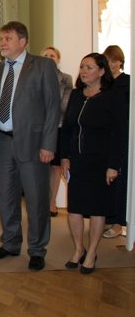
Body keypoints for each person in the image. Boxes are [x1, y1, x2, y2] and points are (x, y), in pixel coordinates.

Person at [0, 21, 61, 271]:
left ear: (23, 41)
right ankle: (10, 243)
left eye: (8, 38)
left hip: (33, 144)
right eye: (1, 38)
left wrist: (48, 144)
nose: (2, 43)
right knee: (6, 198)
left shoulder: (42, 66)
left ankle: (37, 249)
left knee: (36, 199)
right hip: (3, 143)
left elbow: (53, 108)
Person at [60, 53, 127, 274]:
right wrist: (65, 156)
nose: (84, 71)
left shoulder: (112, 96)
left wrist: (114, 165)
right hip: (77, 161)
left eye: (89, 67)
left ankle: (92, 253)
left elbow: (119, 134)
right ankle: (79, 249)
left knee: (98, 209)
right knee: (75, 209)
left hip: (101, 162)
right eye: (82, 66)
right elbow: (67, 129)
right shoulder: (76, 94)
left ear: (101, 71)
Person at [102, 45, 130, 239]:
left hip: (122, 137)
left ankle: (120, 223)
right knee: (105, 181)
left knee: (120, 180)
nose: (111, 64)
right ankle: (108, 218)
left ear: (120, 61)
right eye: (108, 60)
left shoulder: (128, 82)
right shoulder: (103, 83)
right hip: (104, 138)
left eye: (114, 60)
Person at [41, 46, 73, 217]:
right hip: (38, 129)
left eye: (52, 56)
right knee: (39, 166)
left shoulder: (66, 79)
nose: (48, 58)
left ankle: (52, 202)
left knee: (55, 167)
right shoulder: (35, 76)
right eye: (45, 55)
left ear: (58, 59)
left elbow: (65, 105)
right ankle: (41, 201)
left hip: (58, 127)